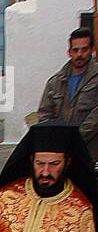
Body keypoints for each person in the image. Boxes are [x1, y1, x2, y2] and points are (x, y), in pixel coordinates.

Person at [38, 27, 98, 166]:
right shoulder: (55, 82)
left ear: (92, 50)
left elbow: (95, 118)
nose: (79, 54)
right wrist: (55, 141)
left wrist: (75, 139)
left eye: (84, 49)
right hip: (61, 156)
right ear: (69, 52)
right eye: (75, 50)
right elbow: (44, 114)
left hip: (91, 154)